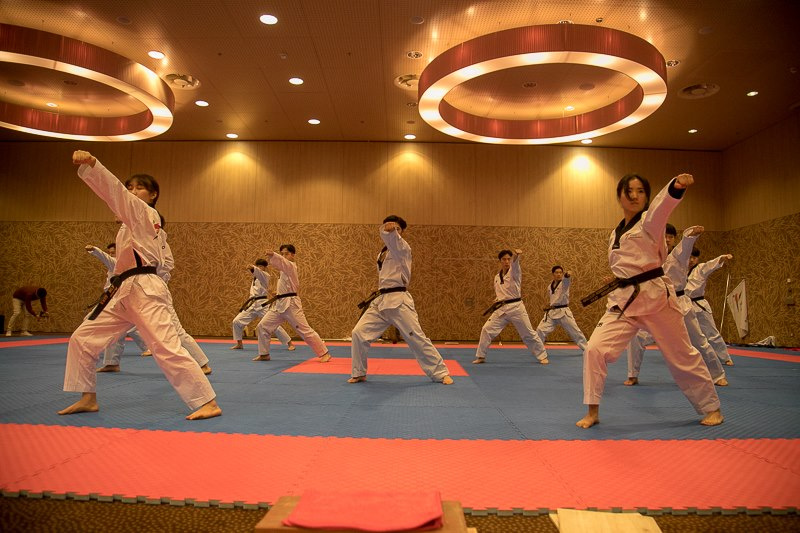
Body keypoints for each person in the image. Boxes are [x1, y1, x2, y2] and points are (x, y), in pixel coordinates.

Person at [59, 150, 220, 420]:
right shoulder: (131, 225)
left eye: (138, 187)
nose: (132, 191)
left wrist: (94, 164)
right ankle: (87, 397)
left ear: (153, 195)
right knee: (82, 338)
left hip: (144, 289)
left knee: (165, 346)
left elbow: (116, 194)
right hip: (123, 290)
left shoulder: (144, 212)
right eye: (130, 187)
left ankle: (208, 402)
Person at [577, 173, 723, 429]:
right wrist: (618, 278)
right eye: (628, 191)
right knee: (594, 349)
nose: (634, 196)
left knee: (681, 355)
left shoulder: (650, 221)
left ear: (646, 197)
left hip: (656, 299)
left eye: (640, 191)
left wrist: (675, 187)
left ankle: (712, 408)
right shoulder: (615, 233)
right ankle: (592, 412)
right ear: (619, 196)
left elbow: (661, 207)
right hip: (624, 301)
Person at [350, 216, 453, 384]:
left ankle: (441, 373)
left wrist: (390, 231)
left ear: (402, 232)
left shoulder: (403, 248)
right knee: (358, 333)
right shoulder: (382, 253)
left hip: (399, 301)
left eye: (398, 229)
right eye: (391, 227)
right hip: (381, 300)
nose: (394, 231)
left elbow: (394, 239)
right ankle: (359, 372)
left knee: (416, 337)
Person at [624, 225, 728, 387]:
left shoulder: (679, 254)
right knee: (637, 336)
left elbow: (686, 244)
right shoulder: (649, 257)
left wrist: (691, 235)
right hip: (656, 305)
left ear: (674, 239)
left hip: (679, 303)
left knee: (699, 340)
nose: (667, 239)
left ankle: (717, 374)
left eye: (671, 237)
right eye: (664, 236)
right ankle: (633, 375)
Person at [254, 244, 330, 362]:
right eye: (282, 254)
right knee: (263, 326)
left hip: (291, 305)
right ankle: (264, 354)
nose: (284, 256)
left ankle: (324, 353)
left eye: (286, 253)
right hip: (279, 304)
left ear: (293, 255)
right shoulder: (283, 271)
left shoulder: (291, 266)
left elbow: (283, 262)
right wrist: (277, 293)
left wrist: (273, 255)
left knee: (304, 330)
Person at [473, 250, 549, 365]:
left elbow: (515, 265)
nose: (507, 261)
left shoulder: (514, 272)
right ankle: (481, 356)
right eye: (504, 259)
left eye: (509, 259)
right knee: (486, 329)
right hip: (501, 309)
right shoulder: (497, 277)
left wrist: (517, 256)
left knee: (528, 333)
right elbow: (501, 292)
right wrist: (498, 299)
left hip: (516, 308)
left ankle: (542, 356)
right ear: (500, 261)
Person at [86, 242, 152, 371]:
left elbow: (105, 258)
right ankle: (111, 362)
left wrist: (95, 250)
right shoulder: (118, 265)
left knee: (93, 323)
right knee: (121, 330)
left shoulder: (118, 263)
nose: (111, 255)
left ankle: (107, 360)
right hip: (112, 297)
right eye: (110, 253)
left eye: (113, 252)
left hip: (118, 298)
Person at [230, 260, 294, 352]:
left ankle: (290, 343)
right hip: (252, 304)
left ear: (265, 268)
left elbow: (258, 272)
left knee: (273, 324)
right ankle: (239, 344)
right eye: (258, 266)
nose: (259, 268)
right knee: (236, 321)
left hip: (262, 304)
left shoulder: (265, 275)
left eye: (261, 266)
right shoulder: (255, 277)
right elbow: (256, 273)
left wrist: (252, 268)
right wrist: (253, 269)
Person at [687, 249, 735, 366]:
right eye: (690, 257)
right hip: (685, 304)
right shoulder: (679, 270)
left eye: (694, 258)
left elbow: (711, 265)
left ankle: (725, 357)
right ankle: (689, 357)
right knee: (686, 334)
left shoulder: (701, 268)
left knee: (712, 332)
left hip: (699, 304)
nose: (692, 260)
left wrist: (722, 257)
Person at [535, 266, 588, 352]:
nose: (559, 274)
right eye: (557, 272)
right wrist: (548, 305)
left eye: (560, 273)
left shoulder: (564, 284)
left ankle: (587, 349)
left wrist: (567, 275)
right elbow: (554, 299)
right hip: (552, 312)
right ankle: (538, 350)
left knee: (575, 332)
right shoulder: (549, 286)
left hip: (564, 312)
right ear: (553, 274)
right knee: (540, 330)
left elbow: (566, 280)